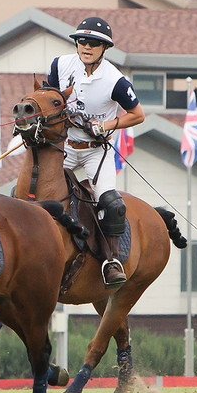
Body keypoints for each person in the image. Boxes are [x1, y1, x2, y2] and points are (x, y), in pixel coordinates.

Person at [46, 15, 146, 288]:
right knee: (34, 193)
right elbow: (48, 98)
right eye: (81, 42)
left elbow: (138, 115)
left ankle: (111, 260)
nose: (86, 47)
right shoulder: (60, 65)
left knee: (111, 204)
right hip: (63, 147)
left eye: (93, 43)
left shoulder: (116, 80)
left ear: (104, 48)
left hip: (94, 151)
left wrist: (109, 124)